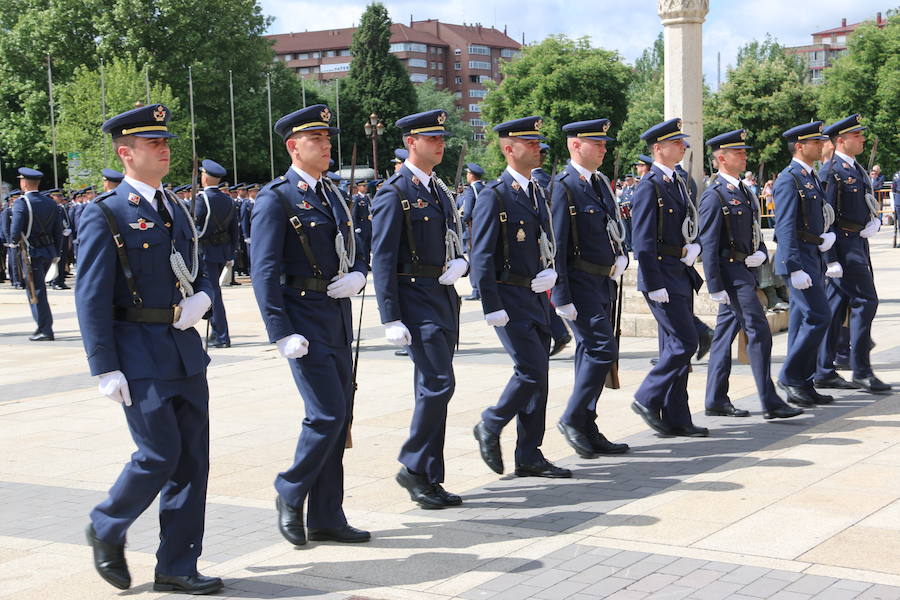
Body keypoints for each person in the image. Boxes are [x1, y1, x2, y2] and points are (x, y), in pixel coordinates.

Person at [77, 104, 221, 594]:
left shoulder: (175, 206)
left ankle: (177, 566)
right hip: (137, 352)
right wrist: (104, 367)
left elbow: (196, 262)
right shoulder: (106, 213)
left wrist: (203, 295)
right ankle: (107, 522)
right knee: (159, 454)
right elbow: (91, 295)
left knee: (191, 462)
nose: (164, 150)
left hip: (182, 348)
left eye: (165, 142)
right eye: (152, 143)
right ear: (126, 153)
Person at [250, 104, 370, 547]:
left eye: (327, 138)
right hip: (302, 318)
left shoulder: (333, 194)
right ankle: (290, 488)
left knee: (341, 418)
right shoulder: (276, 197)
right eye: (315, 139)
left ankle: (326, 515)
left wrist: (358, 272)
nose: (325, 145)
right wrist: (280, 330)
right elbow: (263, 270)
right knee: (326, 414)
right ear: (292, 147)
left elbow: (354, 244)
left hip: (335, 314)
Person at [371, 109, 468, 509]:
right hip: (414, 300)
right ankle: (413, 466)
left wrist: (463, 261)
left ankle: (429, 476)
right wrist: (390, 316)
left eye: (442, 138)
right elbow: (382, 256)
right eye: (432, 138)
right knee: (439, 384)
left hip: (441, 296)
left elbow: (451, 238)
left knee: (434, 391)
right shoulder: (394, 192)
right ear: (411, 142)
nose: (440, 144)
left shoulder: (438, 189)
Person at [470, 116, 571, 478]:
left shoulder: (536, 192)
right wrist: (490, 305)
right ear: (509, 150)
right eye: (529, 143)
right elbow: (481, 254)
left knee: (538, 377)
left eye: (538, 143)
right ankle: (490, 422)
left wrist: (552, 276)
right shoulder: (494, 195)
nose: (538, 149)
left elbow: (546, 243)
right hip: (509, 298)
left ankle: (529, 453)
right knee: (529, 371)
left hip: (535, 295)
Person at [699, 129, 803, 420]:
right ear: (721, 158)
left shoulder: (744, 190)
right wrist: (715, 284)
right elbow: (708, 243)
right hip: (731, 274)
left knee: (723, 337)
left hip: (746, 270)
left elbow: (754, 227)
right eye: (738, 152)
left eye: (744, 151)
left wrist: (758, 250)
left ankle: (715, 398)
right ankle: (770, 402)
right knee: (759, 331)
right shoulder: (714, 195)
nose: (744, 156)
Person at [550, 118, 631, 457]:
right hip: (579, 282)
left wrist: (619, 256)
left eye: (603, 143)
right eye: (595, 143)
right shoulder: (564, 186)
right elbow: (557, 244)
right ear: (574, 145)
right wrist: (562, 296)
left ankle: (586, 421)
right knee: (601, 348)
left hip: (602, 281)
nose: (603, 148)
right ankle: (572, 418)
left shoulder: (598, 183)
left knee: (591, 352)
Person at [629, 118, 707, 437]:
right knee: (687, 342)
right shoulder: (650, 187)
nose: (684, 147)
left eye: (683, 142)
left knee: (676, 346)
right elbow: (643, 241)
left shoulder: (677, 182)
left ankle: (677, 416)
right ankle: (647, 397)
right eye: (677, 143)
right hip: (661, 276)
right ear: (658, 149)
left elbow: (686, 222)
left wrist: (693, 246)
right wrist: (654, 282)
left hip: (679, 271)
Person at [814, 114, 890, 393]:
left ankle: (823, 369)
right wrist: (830, 259)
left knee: (834, 309)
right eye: (857, 135)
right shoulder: (831, 171)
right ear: (841, 140)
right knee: (866, 302)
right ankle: (860, 369)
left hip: (857, 241)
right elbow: (826, 219)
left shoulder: (855, 168)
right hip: (843, 246)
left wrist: (871, 221)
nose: (862, 139)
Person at [773, 121, 836, 408]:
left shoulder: (809, 177)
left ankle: (803, 381)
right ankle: (789, 376)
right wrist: (793, 267)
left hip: (812, 253)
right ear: (800, 146)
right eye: (815, 142)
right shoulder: (790, 179)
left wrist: (822, 239)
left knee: (803, 321)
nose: (821, 145)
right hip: (799, 258)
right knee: (820, 316)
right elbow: (784, 226)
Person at [10, 167, 62, 341]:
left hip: (30, 252)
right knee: (39, 289)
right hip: (48, 250)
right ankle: (44, 326)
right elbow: (58, 230)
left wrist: (13, 242)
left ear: (24, 183)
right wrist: (57, 252)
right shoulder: (50, 202)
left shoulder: (22, 203)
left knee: (35, 290)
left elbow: (16, 230)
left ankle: (44, 329)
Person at [195, 159, 239, 348]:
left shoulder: (202, 199)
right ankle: (216, 331)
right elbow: (234, 230)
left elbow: (196, 228)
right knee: (214, 292)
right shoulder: (227, 199)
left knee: (213, 294)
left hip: (206, 252)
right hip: (222, 252)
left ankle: (222, 336)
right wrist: (231, 253)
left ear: (204, 178)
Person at [460, 162, 486, 300]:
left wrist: (462, 219)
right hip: (486, 228)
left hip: (473, 228)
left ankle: (476, 290)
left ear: (471, 175)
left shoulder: (471, 190)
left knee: (474, 259)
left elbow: (468, 211)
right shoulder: (485, 188)